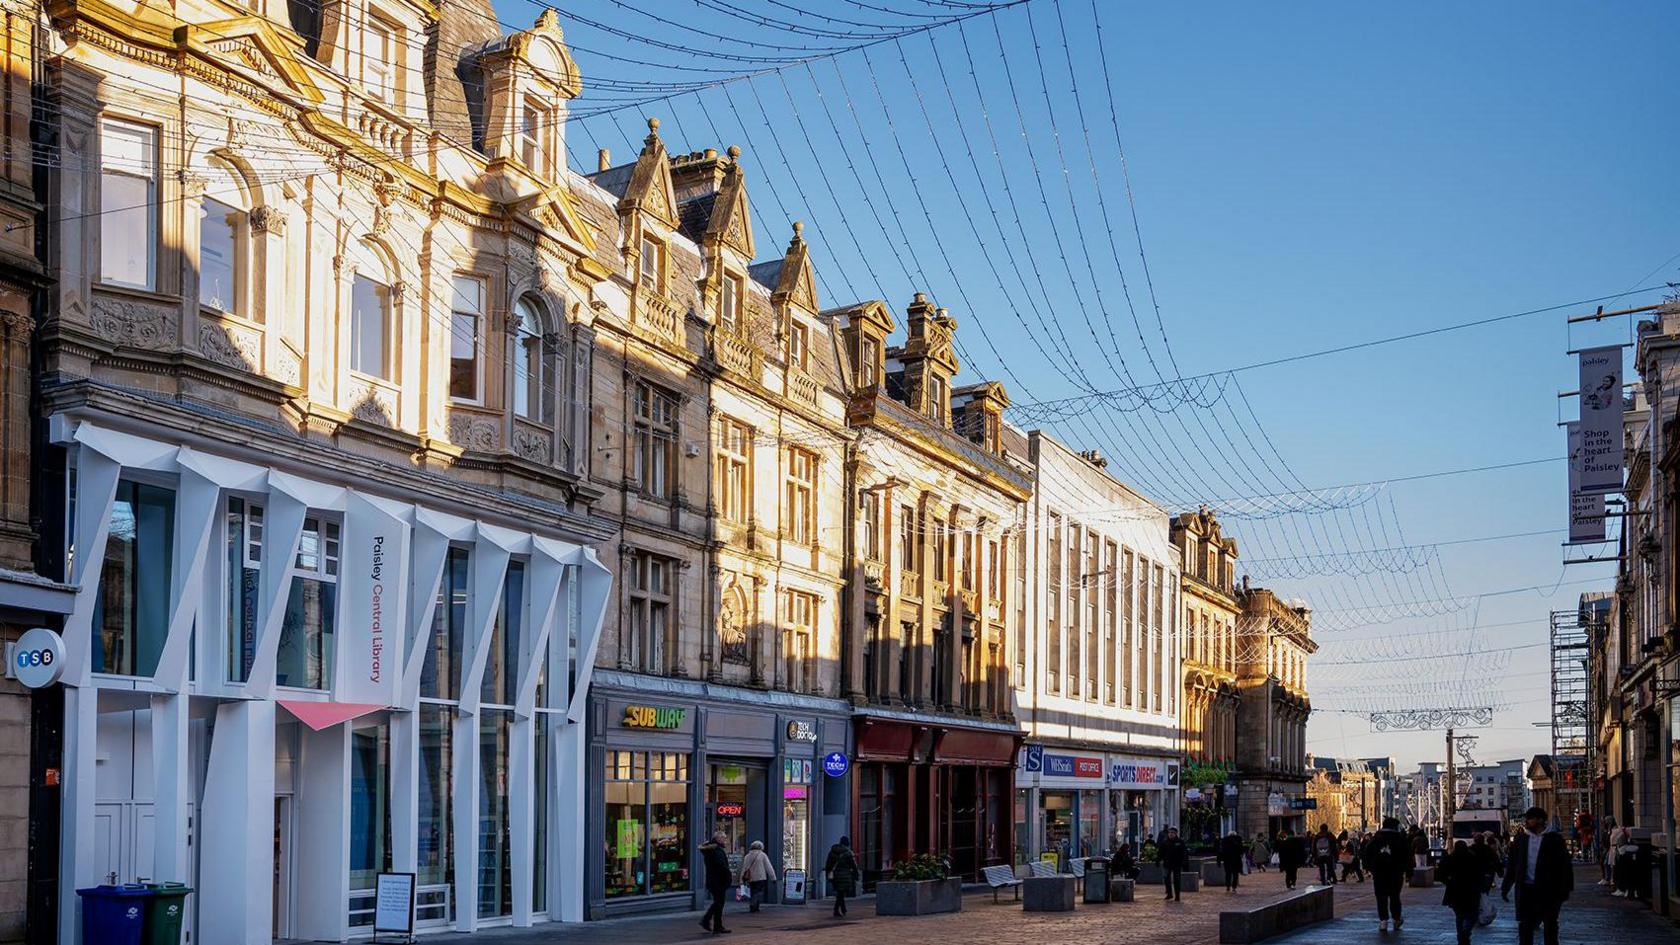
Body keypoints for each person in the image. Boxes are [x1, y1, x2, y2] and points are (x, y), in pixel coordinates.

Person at [1501, 806, 1573, 945]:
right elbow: (1513, 865)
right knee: (1525, 924)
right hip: (1526, 889)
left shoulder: (1554, 839)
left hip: (1548, 889)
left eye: (1530, 819)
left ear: (1540, 820)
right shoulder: (1521, 840)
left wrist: (1565, 889)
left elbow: (1564, 866)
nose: (1527, 822)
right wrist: (1506, 886)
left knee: (1550, 923)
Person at [1363, 816, 1416, 933]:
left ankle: (1383, 921)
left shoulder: (1376, 838)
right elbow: (1407, 856)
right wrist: (1409, 872)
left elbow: (1366, 853)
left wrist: (1370, 868)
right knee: (1395, 896)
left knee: (1381, 897)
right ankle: (1396, 919)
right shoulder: (1400, 838)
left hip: (1379, 873)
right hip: (1395, 873)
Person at [1437, 840, 1485, 945]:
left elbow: (1440, 874)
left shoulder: (1450, 858)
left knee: (1459, 916)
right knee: (1472, 914)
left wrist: (1448, 882)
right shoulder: (1472, 858)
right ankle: (1465, 931)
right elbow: (1480, 873)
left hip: (1455, 891)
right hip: (1471, 890)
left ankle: (1461, 935)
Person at [699, 831, 733, 934]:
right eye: (723, 838)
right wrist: (728, 877)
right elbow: (722, 866)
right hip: (718, 881)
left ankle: (716, 924)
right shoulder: (716, 851)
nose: (725, 841)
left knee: (718, 903)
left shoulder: (711, 850)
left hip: (713, 880)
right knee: (719, 903)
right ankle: (707, 920)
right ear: (718, 839)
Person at [824, 836, 859, 919]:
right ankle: (836, 910)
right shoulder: (848, 853)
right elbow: (853, 866)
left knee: (840, 893)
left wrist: (827, 875)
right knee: (841, 893)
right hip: (845, 876)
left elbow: (828, 864)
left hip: (835, 876)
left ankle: (843, 909)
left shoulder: (832, 852)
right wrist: (856, 875)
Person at [740, 840, 776, 913]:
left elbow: (744, 868)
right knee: (758, 892)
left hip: (750, 877)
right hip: (760, 877)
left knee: (753, 891)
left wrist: (741, 879)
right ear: (761, 847)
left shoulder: (747, 856)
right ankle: (753, 905)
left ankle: (755, 906)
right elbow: (768, 867)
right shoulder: (762, 855)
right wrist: (773, 877)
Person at [1159, 826, 1189, 901]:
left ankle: (1177, 895)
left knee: (1177, 880)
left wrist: (1184, 863)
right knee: (1166, 879)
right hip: (1167, 864)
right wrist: (1157, 860)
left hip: (1177, 864)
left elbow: (1184, 853)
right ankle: (1169, 894)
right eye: (1169, 832)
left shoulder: (1180, 842)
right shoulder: (1165, 842)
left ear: (1176, 834)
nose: (1171, 834)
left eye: (1172, 833)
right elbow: (1161, 852)